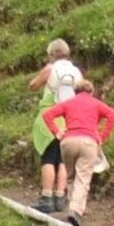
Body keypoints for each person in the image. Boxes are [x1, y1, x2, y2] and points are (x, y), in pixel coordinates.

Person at [40, 75, 114, 226]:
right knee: (83, 178)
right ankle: (76, 210)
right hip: (88, 142)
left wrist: (56, 131)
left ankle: (71, 203)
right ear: (91, 92)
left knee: (69, 175)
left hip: (68, 142)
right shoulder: (96, 103)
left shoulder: (69, 103)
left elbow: (47, 115)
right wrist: (102, 136)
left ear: (75, 91)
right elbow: (113, 116)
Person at [34, 39, 83, 213]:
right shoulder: (76, 72)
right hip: (69, 118)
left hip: (51, 117)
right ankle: (60, 197)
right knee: (62, 159)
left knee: (48, 157)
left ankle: (46, 197)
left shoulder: (50, 69)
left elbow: (32, 85)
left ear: (52, 54)